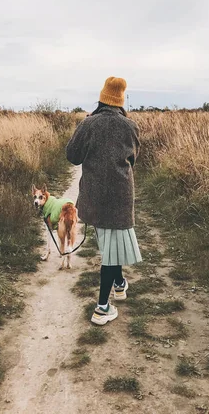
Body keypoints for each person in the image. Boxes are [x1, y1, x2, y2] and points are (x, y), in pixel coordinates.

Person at [66, 76, 142, 325]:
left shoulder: (88, 124)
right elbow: (133, 159)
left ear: (102, 97)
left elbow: (72, 157)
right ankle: (103, 306)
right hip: (121, 196)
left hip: (94, 196)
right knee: (112, 249)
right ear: (120, 100)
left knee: (110, 249)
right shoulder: (130, 127)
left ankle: (111, 295)